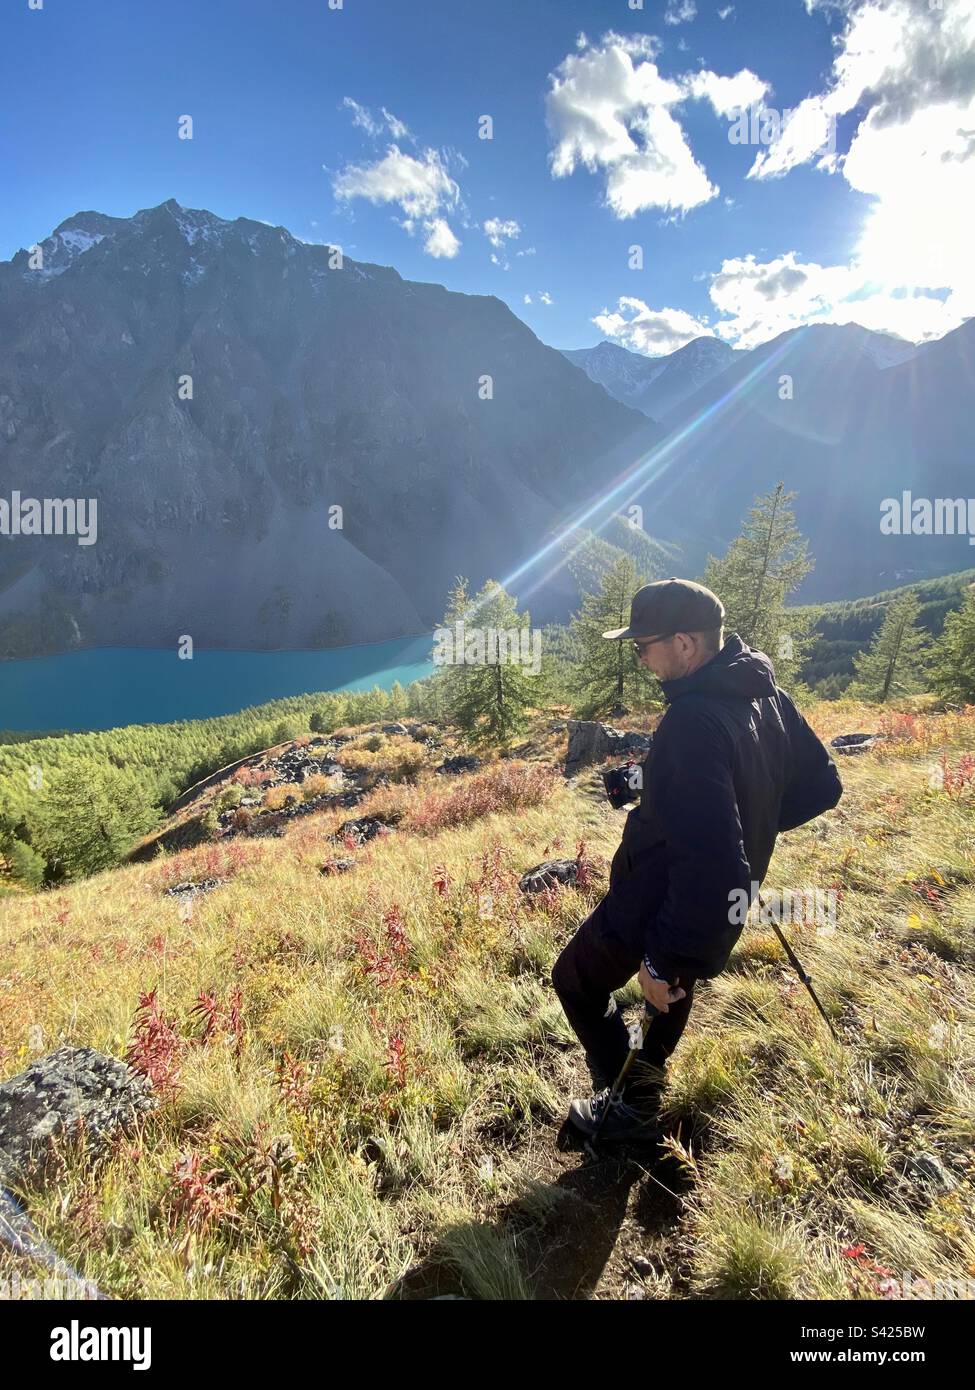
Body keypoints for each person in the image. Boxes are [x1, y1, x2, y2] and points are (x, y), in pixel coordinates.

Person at [552, 578, 843, 1140]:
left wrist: (661, 957)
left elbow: (710, 862)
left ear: (685, 644)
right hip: (723, 895)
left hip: (664, 891)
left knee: (577, 981)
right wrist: (734, 817)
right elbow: (820, 786)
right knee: (672, 995)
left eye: (644, 645)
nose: (640, 658)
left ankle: (627, 1107)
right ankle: (636, 1092)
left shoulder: (691, 721)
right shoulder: (765, 693)